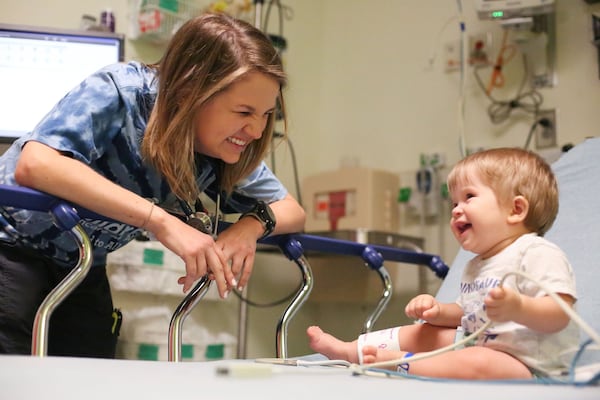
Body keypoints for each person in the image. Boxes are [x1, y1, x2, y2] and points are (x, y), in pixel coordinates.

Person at [0, 13, 305, 358]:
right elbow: (37, 164)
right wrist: (160, 221)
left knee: (89, 374)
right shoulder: (121, 93)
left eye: (266, 114)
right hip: (11, 243)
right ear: (191, 92)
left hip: (82, 263)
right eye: (243, 112)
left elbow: (292, 210)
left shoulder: (220, 147)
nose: (255, 131)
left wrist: (249, 228)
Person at [307, 147, 578, 380]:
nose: (456, 209)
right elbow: (467, 313)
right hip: (478, 346)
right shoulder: (477, 264)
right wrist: (438, 311)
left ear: (516, 210)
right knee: (429, 333)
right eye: (454, 202)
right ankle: (349, 350)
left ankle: (394, 360)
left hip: (532, 367)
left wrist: (519, 307)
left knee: (482, 361)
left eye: (469, 197)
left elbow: (560, 314)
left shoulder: (535, 252)